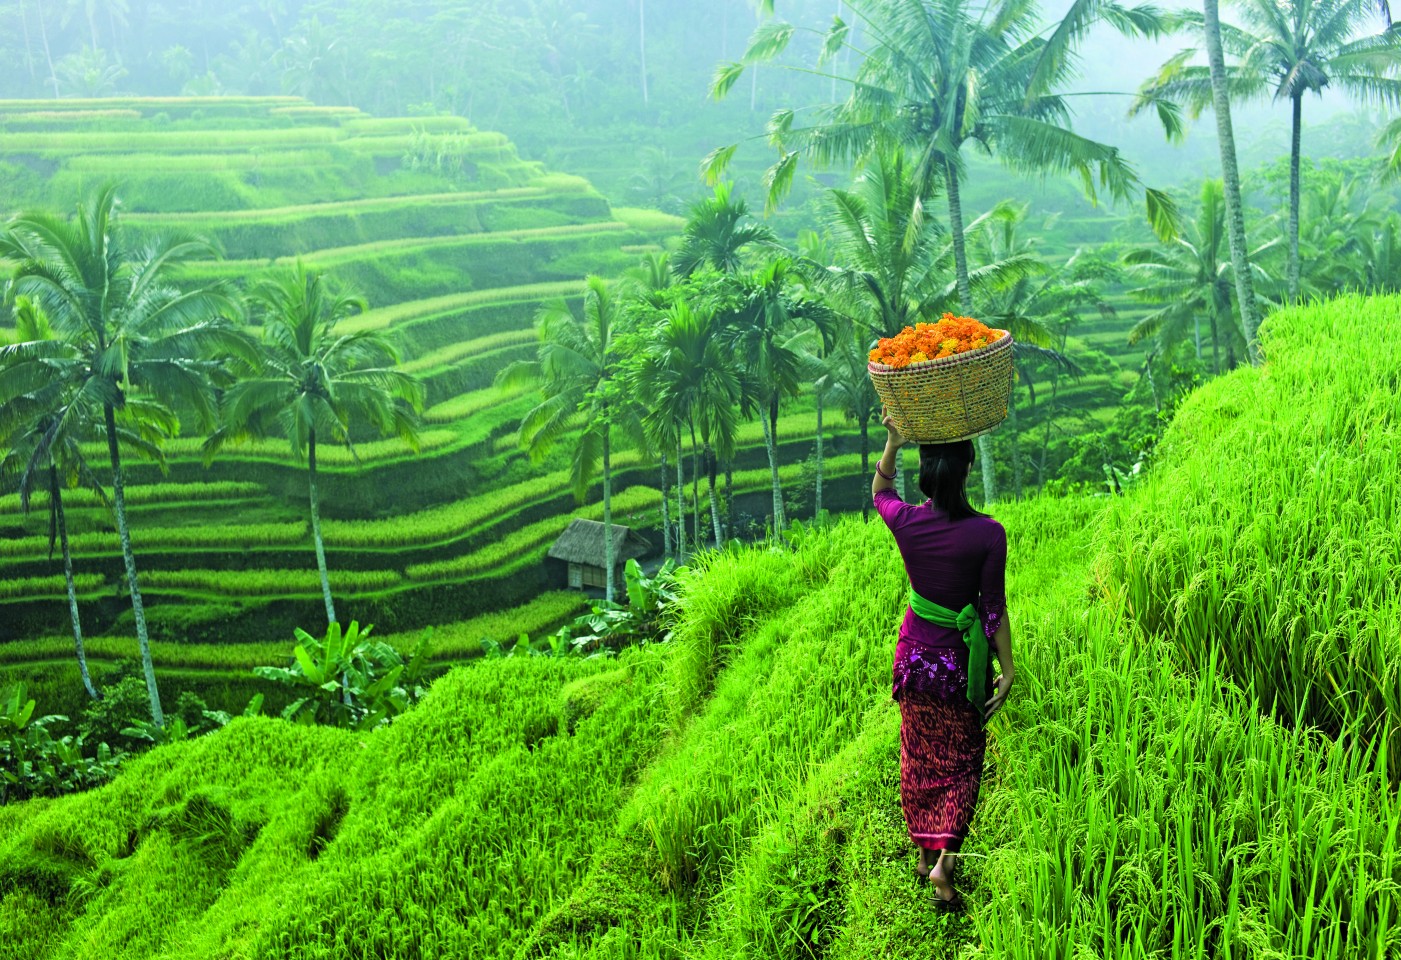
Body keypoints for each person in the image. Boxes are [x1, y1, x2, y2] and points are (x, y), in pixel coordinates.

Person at [872, 408, 1015, 912]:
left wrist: (892, 440)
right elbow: (992, 610)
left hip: (913, 662)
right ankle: (944, 865)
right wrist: (1009, 670)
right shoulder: (988, 534)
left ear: (927, 474)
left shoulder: (908, 522)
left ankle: (923, 850)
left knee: (919, 756)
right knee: (963, 763)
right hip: (957, 668)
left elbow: (880, 493)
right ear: (969, 469)